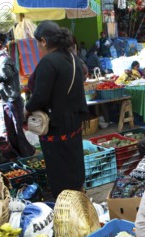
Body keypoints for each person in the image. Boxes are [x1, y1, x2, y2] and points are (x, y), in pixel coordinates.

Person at [25, 21, 88, 198]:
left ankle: (64, 201)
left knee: (59, 165)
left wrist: (27, 109)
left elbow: (40, 96)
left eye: (38, 42)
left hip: (56, 124)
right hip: (73, 122)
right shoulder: (72, 58)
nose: (38, 46)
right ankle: (79, 194)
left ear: (43, 41)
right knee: (73, 161)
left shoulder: (48, 62)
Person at [0, 27, 34, 160]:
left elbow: (4, 72)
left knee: (12, 139)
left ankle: (22, 166)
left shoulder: (3, 58)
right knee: (4, 139)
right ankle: (16, 166)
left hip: (5, 105)